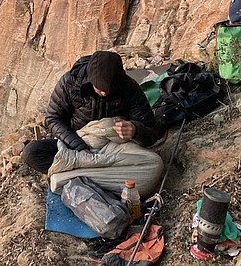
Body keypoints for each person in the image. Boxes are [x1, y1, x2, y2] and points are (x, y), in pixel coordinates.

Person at [22, 50, 163, 193]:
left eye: (109, 90)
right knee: (31, 152)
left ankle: (72, 177)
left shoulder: (129, 87)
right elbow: (53, 118)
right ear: (90, 79)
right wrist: (80, 147)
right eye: (99, 89)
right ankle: (92, 176)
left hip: (112, 146)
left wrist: (135, 130)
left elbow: (152, 132)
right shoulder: (70, 82)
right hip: (77, 144)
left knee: (155, 164)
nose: (104, 93)